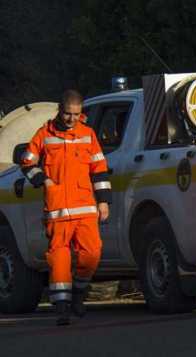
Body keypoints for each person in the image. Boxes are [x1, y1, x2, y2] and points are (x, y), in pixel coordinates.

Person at [20, 90, 111, 325]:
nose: (72, 119)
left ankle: (79, 293)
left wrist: (103, 201)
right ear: (60, 110)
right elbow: (27, 161)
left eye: (76, 114)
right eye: (68, 114)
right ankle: (62, 307)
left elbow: (99, 169)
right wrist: (45, 181)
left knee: (92, 254)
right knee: (59, 258)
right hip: (57, 209)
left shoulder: (88, 135)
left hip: (85, 208)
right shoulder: (44, 134)